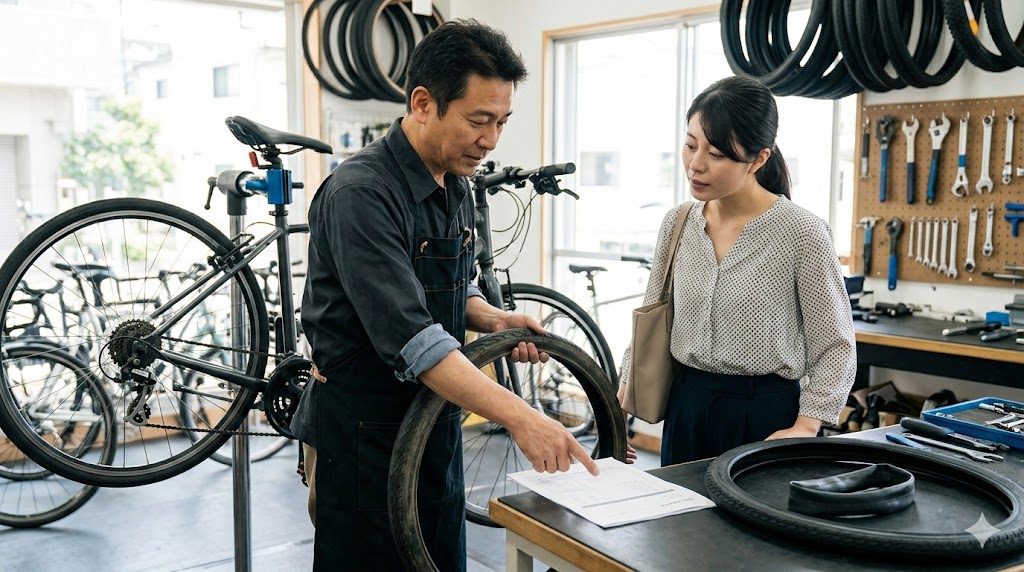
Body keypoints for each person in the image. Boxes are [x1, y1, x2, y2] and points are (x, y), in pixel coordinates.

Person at [289, 19, 599, 572]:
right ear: (424, 102)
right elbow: (414, 339)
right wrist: (524, 418)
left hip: (432, 423)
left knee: (438, 557)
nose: (491, 141)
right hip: (362, 436)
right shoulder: (361, 194)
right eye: (479, 121)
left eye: (502, 122)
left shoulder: (452, 179)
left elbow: (451, 287)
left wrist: (491, 318)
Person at [617, 75, 857, 467]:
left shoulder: (802, 233)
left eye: (716, 154)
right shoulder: (677, 222)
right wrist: (622, 408)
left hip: (764, 417)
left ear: (759, 159)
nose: (695, 165)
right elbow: (652, 317)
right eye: (691, 145)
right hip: (687, 409)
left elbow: (835, 344)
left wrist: (807, 425)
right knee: (681, 528)